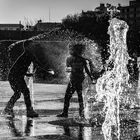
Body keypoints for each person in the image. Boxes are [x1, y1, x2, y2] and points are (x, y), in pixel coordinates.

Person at [57, 42, 94, 118]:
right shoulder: (82, 59)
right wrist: (91, 77)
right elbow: (86, 70)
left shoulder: (70, 59)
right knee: (80, 97)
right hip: (79, 79)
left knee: (68, 97)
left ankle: (65, 112)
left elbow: (68, 70)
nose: (70, 50)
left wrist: (70, 75)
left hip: (73, 80)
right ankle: (81, 114)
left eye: (71, 49)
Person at [3, 40, 39, 118]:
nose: (33, 46)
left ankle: (8, 108)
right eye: (31, 45)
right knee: (25, 92)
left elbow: (24, 67)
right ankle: (29, 111)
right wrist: (32, 72)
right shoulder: (28, 55)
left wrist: (29, 73)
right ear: (27, 47)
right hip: (15, 76)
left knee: (18, 93)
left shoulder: (28, 54)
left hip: (12, 75)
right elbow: (36, 64)